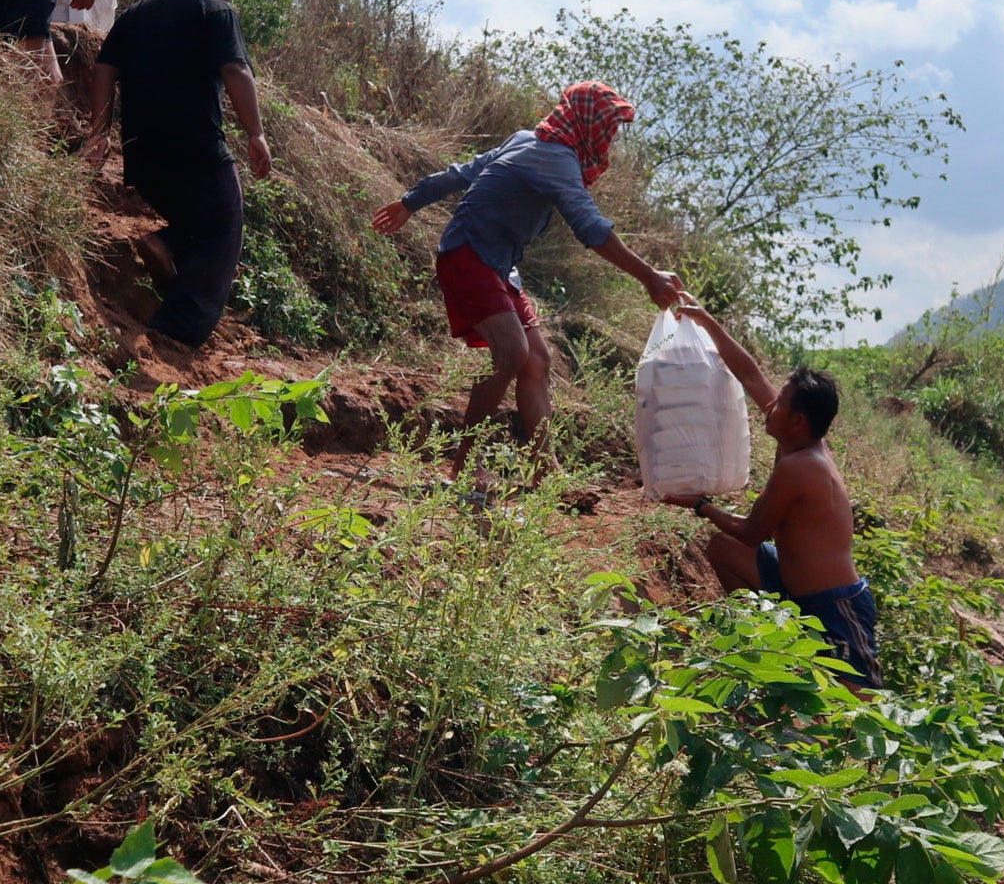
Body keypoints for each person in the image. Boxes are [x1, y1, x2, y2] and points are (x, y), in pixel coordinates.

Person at [371, 83, 681, 444]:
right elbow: (591, 228)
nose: (609, 136)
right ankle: (466, 469)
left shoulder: (528, 140)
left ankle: (542, 469)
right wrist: (649, 276)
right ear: (585, 120)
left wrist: (410, 202)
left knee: (536, 360)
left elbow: (460, 174)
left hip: (496, 263)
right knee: (513, 353)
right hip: (469, 253)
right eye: (606, 125)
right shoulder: (555, 156)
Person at [663, 305, 879, 690]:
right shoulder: (799, 438)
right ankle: (763, 647)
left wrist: (701, 504)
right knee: (721, 548)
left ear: (798, 421)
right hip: (791, 586)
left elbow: (750, 532)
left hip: (833, 604)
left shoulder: (802, 467)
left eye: (779, 401)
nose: (769, 405)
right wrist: (705, 319)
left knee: (858, 710)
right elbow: (748, 372)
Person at [83, 0, 271, 353]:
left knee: (198, 220)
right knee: (225, 228)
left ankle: (165, 243)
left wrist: (99, 133)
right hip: (197, 150)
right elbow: (237, 72)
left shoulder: (136, 13)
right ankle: (175, 334)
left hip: (144, 157)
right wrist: (255, 134)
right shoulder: (217, 11)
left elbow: (103, 70)